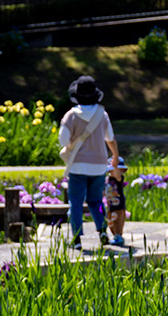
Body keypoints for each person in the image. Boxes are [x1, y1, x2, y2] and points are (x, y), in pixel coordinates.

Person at [58, 75, 119, 248]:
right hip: (99, 166)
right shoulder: (102, 114)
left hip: (78, 165)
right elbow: (110, 138)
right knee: (96, 202)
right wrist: (114, 155)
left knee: (76, 202)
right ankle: (102, 232)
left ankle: (77, 239)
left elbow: (63, 140)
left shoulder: (71, 115)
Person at [105, 157, 128, 247]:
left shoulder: (119, 178)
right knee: (110, 220)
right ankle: (115, 235)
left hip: (118, 204)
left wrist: (114, 166)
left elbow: (116, 173)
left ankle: (119, 235)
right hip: (110, 204)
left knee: (117, 219)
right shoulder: (108, 179)